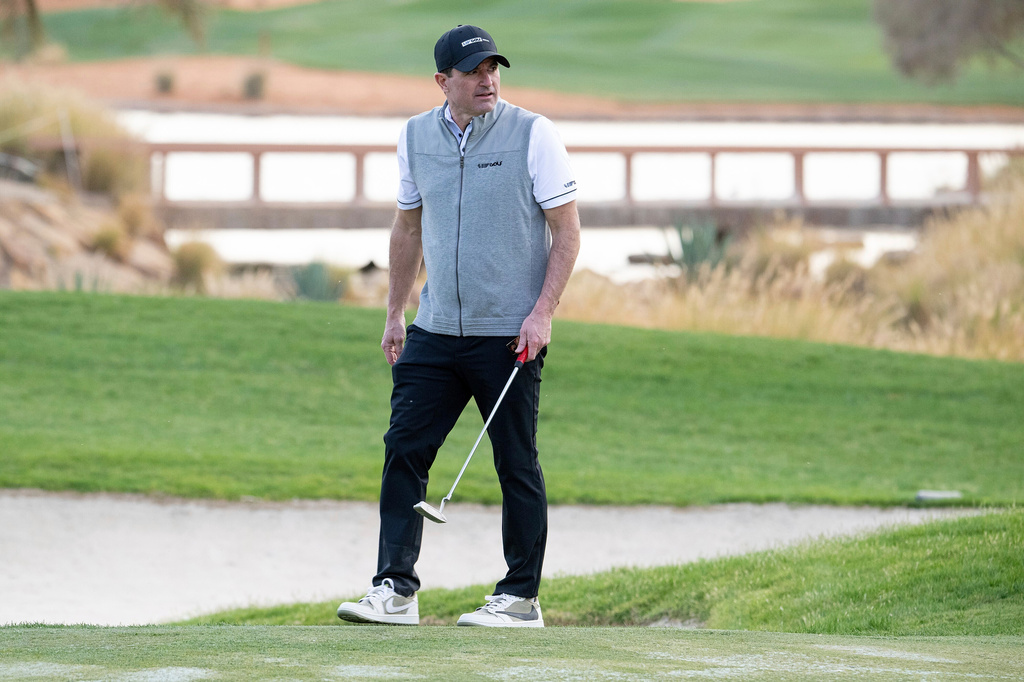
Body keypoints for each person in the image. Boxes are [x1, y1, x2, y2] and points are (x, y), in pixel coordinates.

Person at [336, 24, 580, 628]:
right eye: (473, 72)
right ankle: (394, 589)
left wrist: (542, 310)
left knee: (515, 462)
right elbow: (408, 228)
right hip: (435, 328)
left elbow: (566, 231)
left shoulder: (533, 133)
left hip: (509, 335)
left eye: (492, 68)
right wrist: (395, 312)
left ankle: (520, 597)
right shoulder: (416, 136)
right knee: (404, 450)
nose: (487, 79)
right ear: (443, 81)